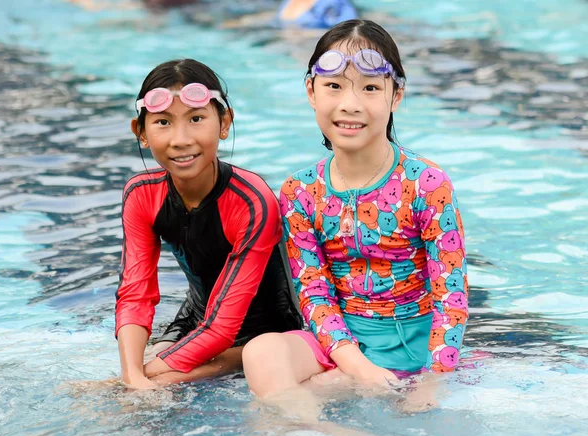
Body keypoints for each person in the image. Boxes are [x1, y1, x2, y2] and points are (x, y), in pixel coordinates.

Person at [243, 19, 469, 399]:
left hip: (413, 341)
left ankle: (318, 415)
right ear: (311, 91)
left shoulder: (426, 184)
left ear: (395, 96)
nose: (350, 104)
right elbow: (312, 290)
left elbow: (451, 292)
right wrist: (354, 364)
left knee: (312, 392)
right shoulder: (300, 191)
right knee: (261, 353)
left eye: (369, 88)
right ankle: (326, 435)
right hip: (338, 342)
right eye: (334, 86)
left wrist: (434, 380)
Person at [115, 58, 303, 389]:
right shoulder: (141, 195)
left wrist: (148, 375)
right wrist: (132, 374)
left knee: (158, 385)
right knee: (138, 385)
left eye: (197, 119)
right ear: (140, 133)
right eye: (163, 122)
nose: (181, 139)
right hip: (195, 321)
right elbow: (136, 295)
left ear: (225, 122)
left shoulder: (252, 201)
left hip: (264, 336)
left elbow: (224, 327)